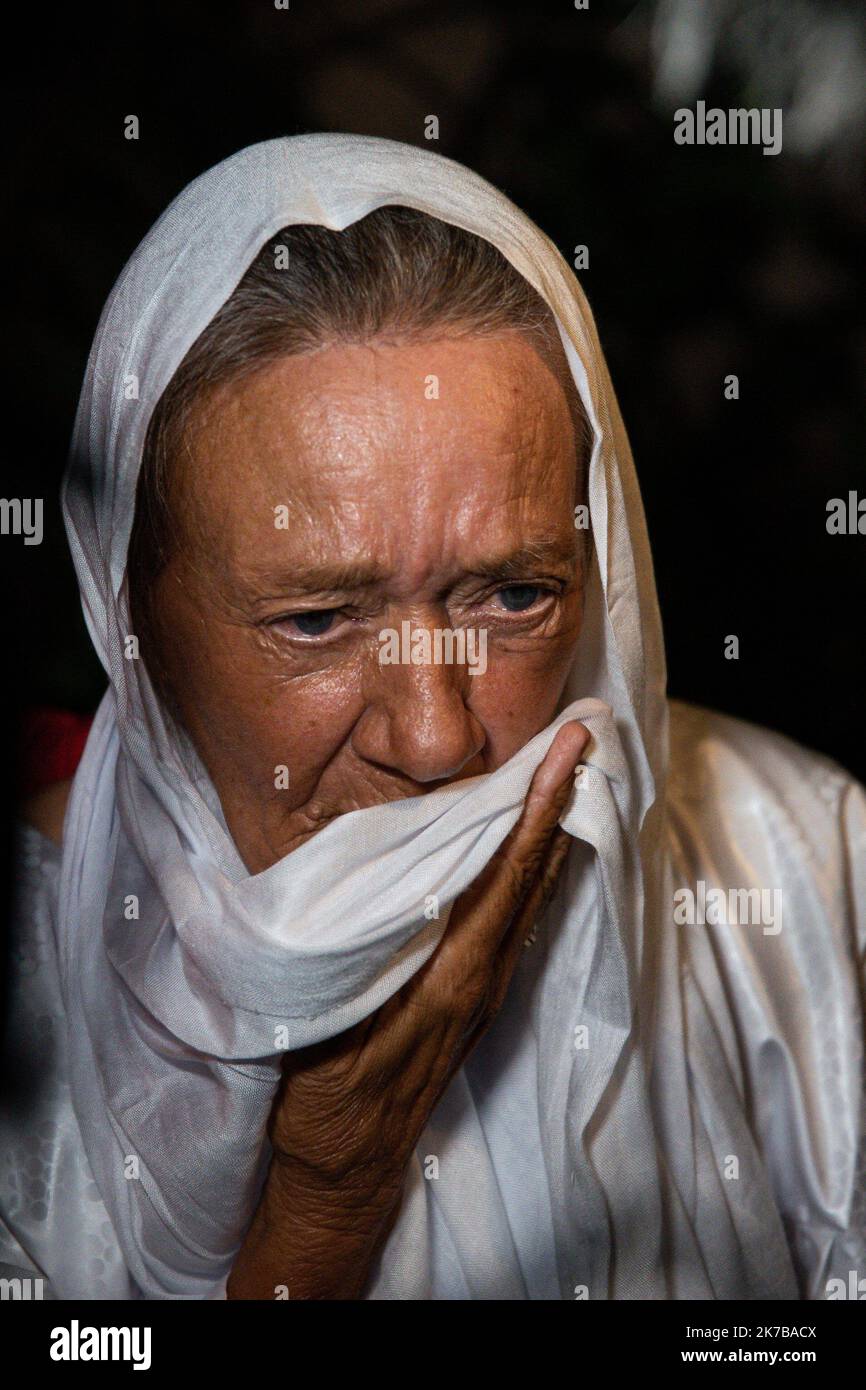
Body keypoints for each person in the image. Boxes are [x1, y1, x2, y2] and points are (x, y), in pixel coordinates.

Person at [2, 134, 863, 1301]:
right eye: (315, 620)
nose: (433, 739)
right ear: (130, 615)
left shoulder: (808, 874)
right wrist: (325, 1209)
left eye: (512, 596)